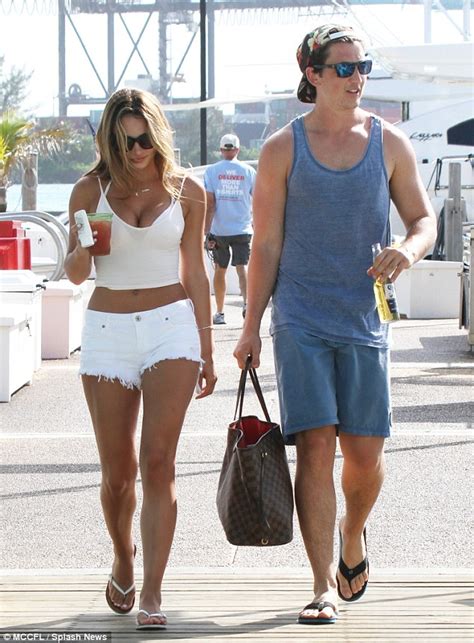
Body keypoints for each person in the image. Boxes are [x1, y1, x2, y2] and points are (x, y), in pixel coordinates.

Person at [234, 24, 436, 625]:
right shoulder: (281, 149)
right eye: (344, 68)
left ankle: (353, 533)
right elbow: (265, 245)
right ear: (313, 75)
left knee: (364, 456)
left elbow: (423, 220)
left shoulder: (389, 142)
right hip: (300, 316)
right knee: (315, 447)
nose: (357, 78)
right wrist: (250, 326)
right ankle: (322, 583)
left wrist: (408, 250)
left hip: (365, 317)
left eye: (362, 67)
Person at [64, 88, 217, 631]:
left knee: (158, 463)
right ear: (110, 139)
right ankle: (123, 557)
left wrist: (208, 346)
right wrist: (82, 249)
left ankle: (152, 590)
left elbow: (195, 270)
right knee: (117, 474)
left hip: (171, 328)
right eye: (126, 141)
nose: (136, 150)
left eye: (145, 138)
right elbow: (76, 275)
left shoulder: (187, 190)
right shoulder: (89, 189)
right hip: (106, 330)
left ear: (158, 134)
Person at [204, 133, 256, 324]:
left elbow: (210, 204)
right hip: (242, 228)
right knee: (242, 268)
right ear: (238, 149)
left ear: (221, 150)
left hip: (220, 230)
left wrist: (206, 231)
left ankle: (219, 312)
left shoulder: (211, 171)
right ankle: (247, 305)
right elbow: (258, 199)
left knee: (220, 269)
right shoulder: (249, 171)